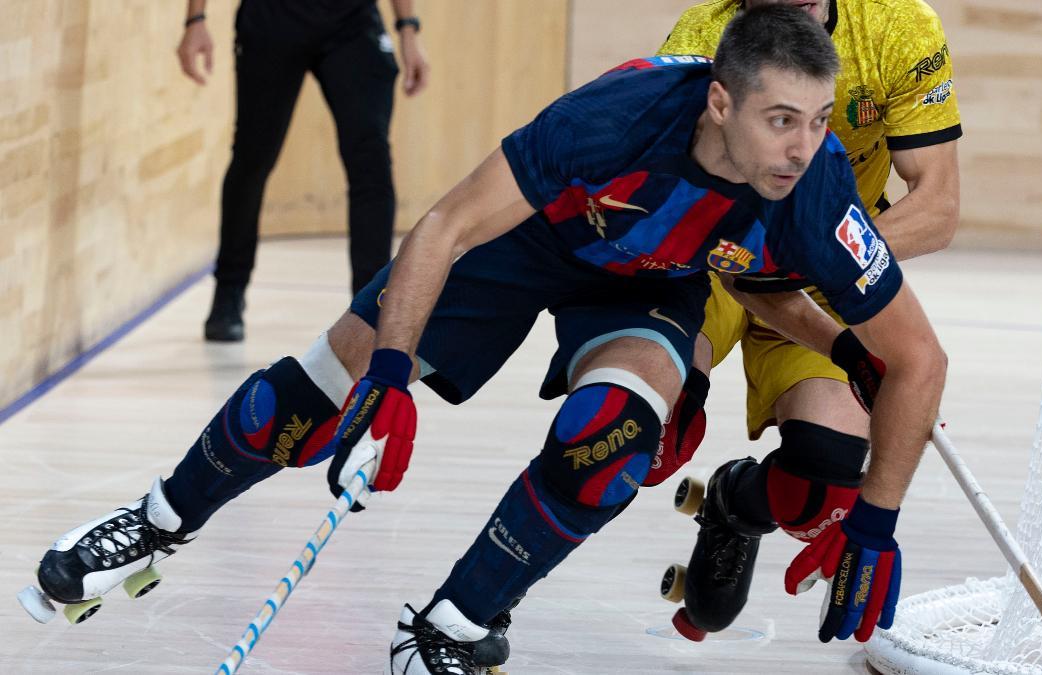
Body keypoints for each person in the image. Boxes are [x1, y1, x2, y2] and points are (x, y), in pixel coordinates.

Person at [23, 6, 944, 673]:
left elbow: (916, 358)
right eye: (781, 121)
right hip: (520, 246)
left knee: (610, 442)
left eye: (819, 123)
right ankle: (155, 520)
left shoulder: (815, 188)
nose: (802, 146)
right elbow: (446, 227)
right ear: (718, 103)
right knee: (303, 401)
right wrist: (387, 374)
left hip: (646, 285)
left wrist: (877, 519)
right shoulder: (608, 119)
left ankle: (452, 626)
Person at [649, 0, 962, 640]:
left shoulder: (900, 27)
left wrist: (822, 256)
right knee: (635, 436)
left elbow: (937, 206)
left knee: (823, 488)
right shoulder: (703, 30)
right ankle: (476, 607)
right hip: (715, 259)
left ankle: (735, 503)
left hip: (824, 269)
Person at [177, 0, 430, 342]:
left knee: (371, 162)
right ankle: (229, 292)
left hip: (352, 24)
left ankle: (370, 307)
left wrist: (408, 29)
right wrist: (196, 19)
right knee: (253, 157)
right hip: (272, 19)